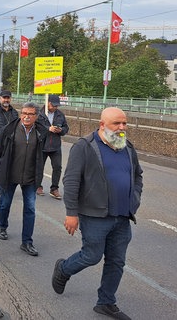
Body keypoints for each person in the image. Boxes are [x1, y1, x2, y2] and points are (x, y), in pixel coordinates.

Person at [52, 107, 142, 320]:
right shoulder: (85, 146)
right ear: (102, 125)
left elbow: (137, 175)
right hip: (94, 216)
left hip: (122, 217)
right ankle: (64, 269)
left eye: (124, 123)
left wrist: (135, 198)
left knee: (116, 261)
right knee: (91, 256)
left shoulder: (127, 147)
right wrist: (71, 213)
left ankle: (106, 302)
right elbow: (71, 180)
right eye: (116, 124)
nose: (122, 128)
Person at [0, 101, 46, 256]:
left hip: (30, 177)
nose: (26, 117)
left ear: (36, 116)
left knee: (30, 209)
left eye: (30, 114)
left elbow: (43, 154)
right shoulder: (11, 129)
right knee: (5, 204)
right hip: (10, 175)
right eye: (24, 113)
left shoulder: (40, 132)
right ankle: (2, 226)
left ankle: (27, 242)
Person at [36, 94, 68, 199]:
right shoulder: (39, 114)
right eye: (53, 105)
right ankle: (38, 186)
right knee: (39, 167)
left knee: (57, 167)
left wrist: (60, 130)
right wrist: (48, 129)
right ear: (47, 102)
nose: (55, 107)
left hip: (55, 145)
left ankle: (54, 189)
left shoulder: (60, 115)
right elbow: (35, 126)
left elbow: (66, 128)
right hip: (42, 144)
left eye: (56, 105)